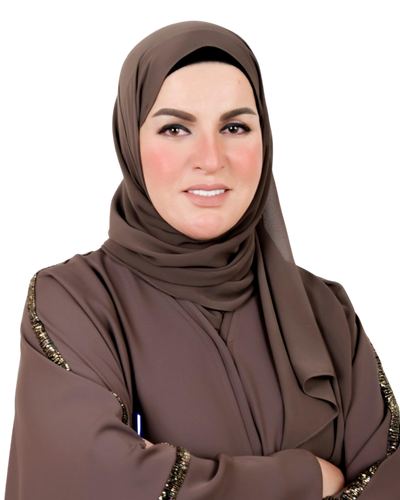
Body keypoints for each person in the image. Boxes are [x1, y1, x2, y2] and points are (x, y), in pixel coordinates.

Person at [4, 17, 399, 500]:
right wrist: (304, 478)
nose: (211, 159)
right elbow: (89, 480)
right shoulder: (73, 300)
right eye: (175, 128)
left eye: (235, 127)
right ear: (129, 140)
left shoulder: (325, 307)